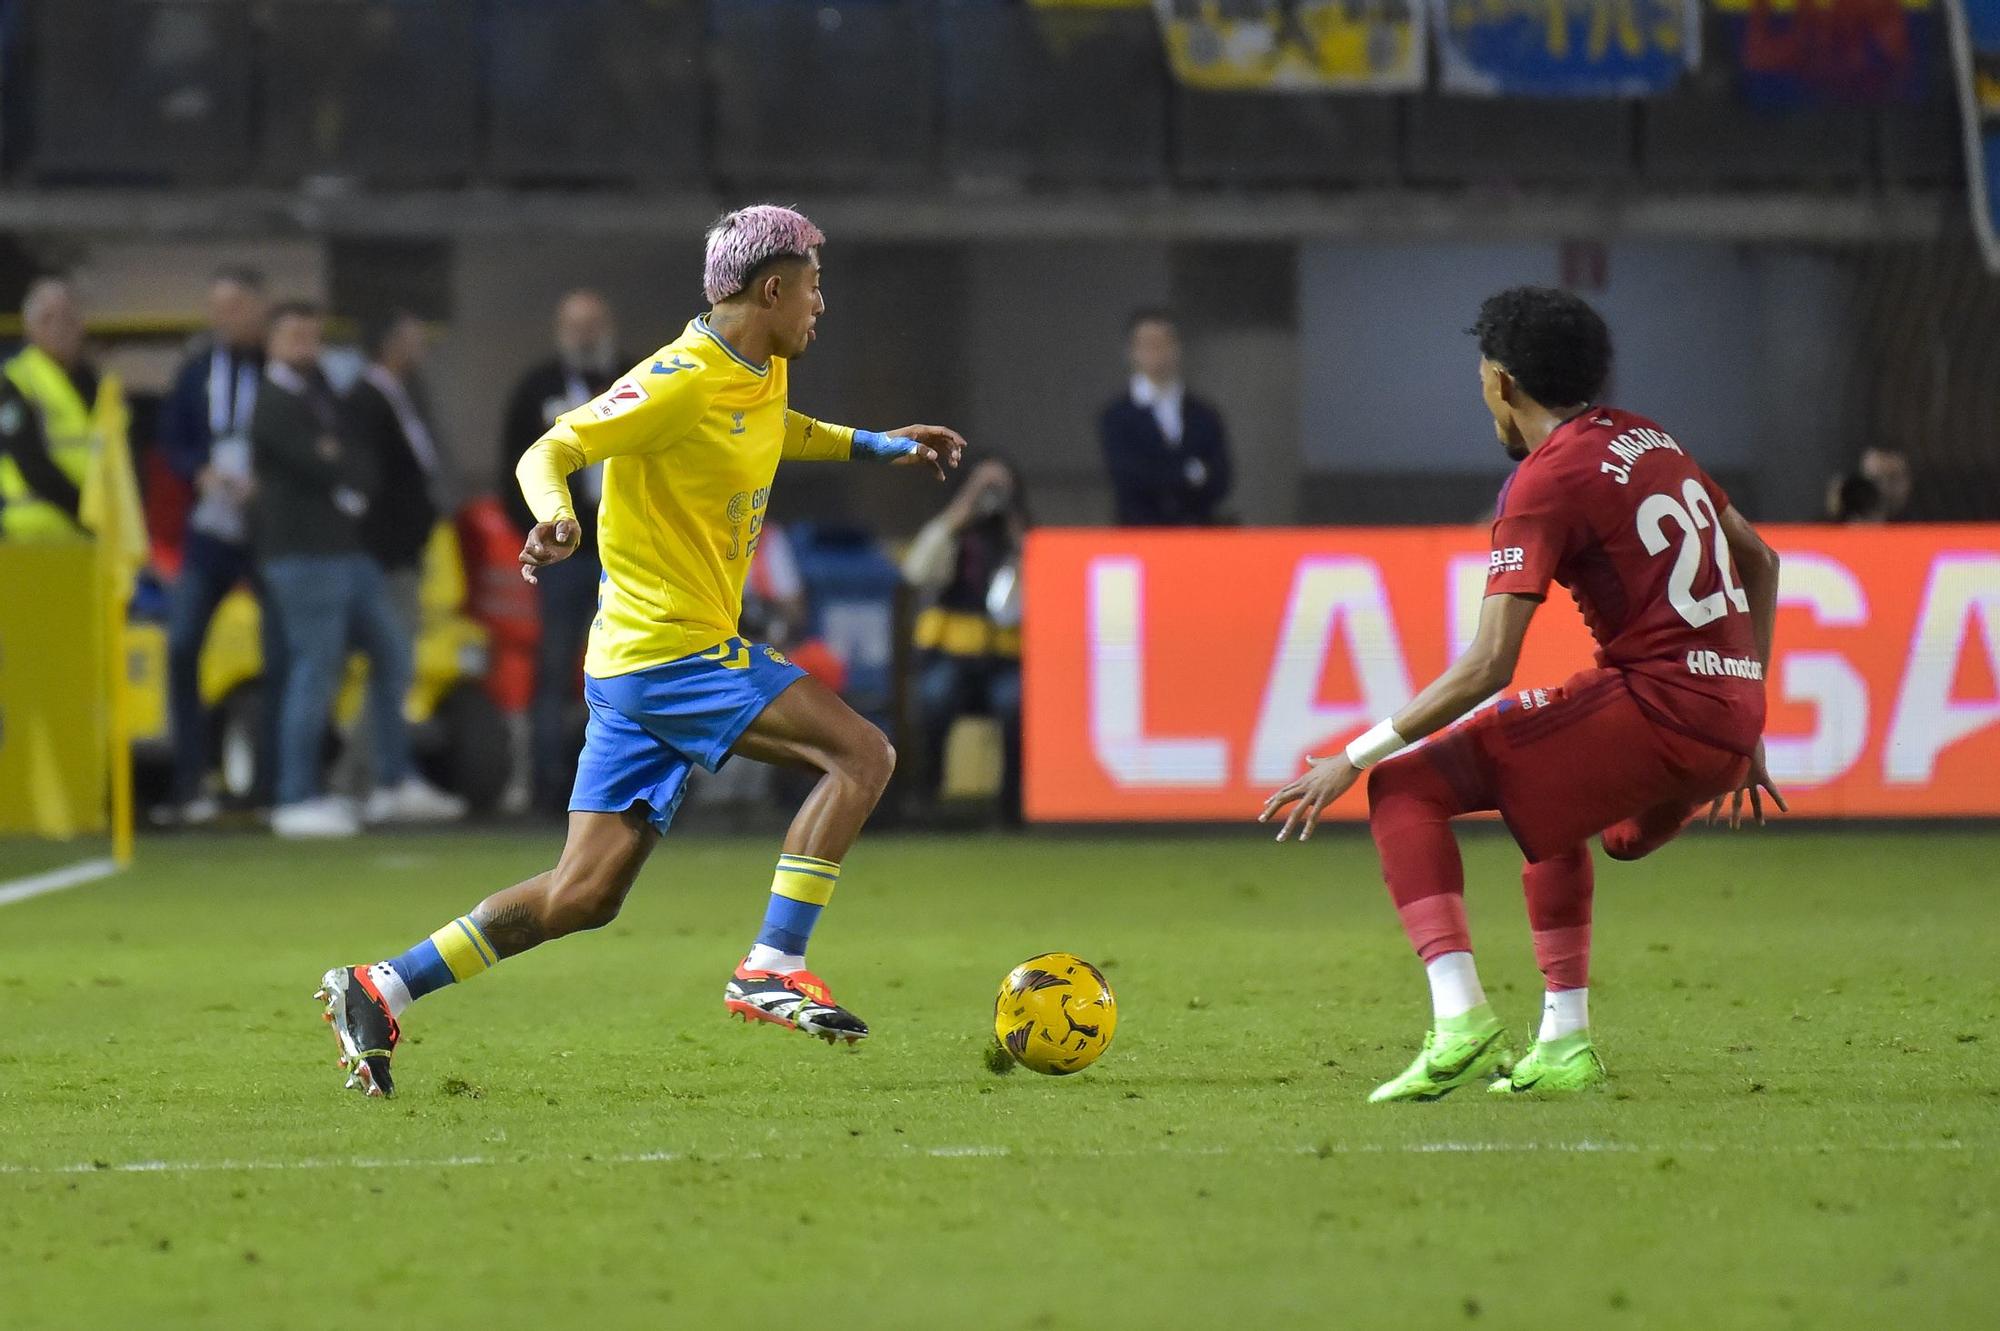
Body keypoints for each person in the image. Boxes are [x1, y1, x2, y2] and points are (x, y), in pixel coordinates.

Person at [316, 204, 966, 1097]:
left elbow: (775, 431)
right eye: (815, 283)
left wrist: (876, 444)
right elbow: (556, 444)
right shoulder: (676, 378)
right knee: (861, 752)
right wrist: (555, 513)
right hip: (674, 655)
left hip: (637, 667)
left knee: (582, 895)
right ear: (770, 289)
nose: (824, 301)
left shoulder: (759, 365)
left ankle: (381, 984)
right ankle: (772, 962)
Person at [1260, 287, 1784, 1101]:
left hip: (1659, 710)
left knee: (1406, 786)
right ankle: (1565, 1043)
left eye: (1481, 381)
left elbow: (1489, 665)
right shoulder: (1651, 438)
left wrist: (1351, 758)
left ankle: (1460, 1021)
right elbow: (1763, 562)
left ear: (1502, 382)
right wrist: (1748, 710)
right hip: (1726, 723)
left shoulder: (1546, 481)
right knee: (1569, 816)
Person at [252, 303, 460, 839]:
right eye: (293, 336)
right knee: (315, 669)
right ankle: (294, 797)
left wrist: (337, 458)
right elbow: (321, 462)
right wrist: (336, 459)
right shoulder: (271, 401)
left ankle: (391, 784)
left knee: (393, 655)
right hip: (301, 554)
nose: (305, 346)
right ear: (271, 342)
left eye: (311, 336)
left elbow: (357, 463)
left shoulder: (319, 394)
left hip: (347, 551)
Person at [157, 266, 280, 823]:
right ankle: (191, 782)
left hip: (268, 531)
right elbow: (172, 439)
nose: (222, 318)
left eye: (233, 306)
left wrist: (267, 480)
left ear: (257, 309)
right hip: (210, 528)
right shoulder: (197, 370)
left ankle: (276, 785)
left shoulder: (277, 369)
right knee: (182, 645)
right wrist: (199, 471)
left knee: (283, 650)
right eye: (216, 307)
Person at [499, 290, 624, 814]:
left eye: (594, 323)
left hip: (624, 551)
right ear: (559, 329)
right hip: (563, 554)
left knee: (627, 666)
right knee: (554, 667)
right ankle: (548, 786)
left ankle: (626, 783)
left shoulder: (635, 380)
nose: (586, 334)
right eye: (576, 325)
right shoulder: (538, 389)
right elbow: (514, 465)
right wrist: (534, 530)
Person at [342, 309, 468, 821]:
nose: (421, 350)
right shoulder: (368, 400)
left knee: (396, 666)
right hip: (384, 556)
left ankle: (363, 778)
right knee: (392, 664)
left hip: (404, 553)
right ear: (390, 342)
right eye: (413, 339)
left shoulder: (403, 395)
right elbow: (371, 482)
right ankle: (380, 778)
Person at [901, 457, 1026, 824]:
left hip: (1005, 656)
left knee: (1015, 703)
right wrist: (965, 504)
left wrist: (1016, 530)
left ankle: (1012, 805)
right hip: (952, 655)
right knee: (935, 697)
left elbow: (1039, 587)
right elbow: (917, 571)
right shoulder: (952, 534)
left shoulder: (1019, 537)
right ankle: (927, 795)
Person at [0, 277, 131, 542]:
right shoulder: (15, 382)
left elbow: (123, 457)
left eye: (68, 318)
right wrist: (87, 513)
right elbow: (31, 462)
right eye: (47, 319)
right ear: (30, 328)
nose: (59, 328)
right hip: (36, 532)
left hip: (98, 534)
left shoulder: (99, 385)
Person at [1098, 309, 1231, 526]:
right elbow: (1127, 475)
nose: (1157, 352)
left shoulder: (1203, 414)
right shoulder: (1116, 416)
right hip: (1139, 533)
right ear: (1132, 351)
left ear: (1177, 349)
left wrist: (1163, 473)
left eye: (1165, 343)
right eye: (1148, 344)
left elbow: (1221, 477)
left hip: (1195, 530)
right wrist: (1189, 473)